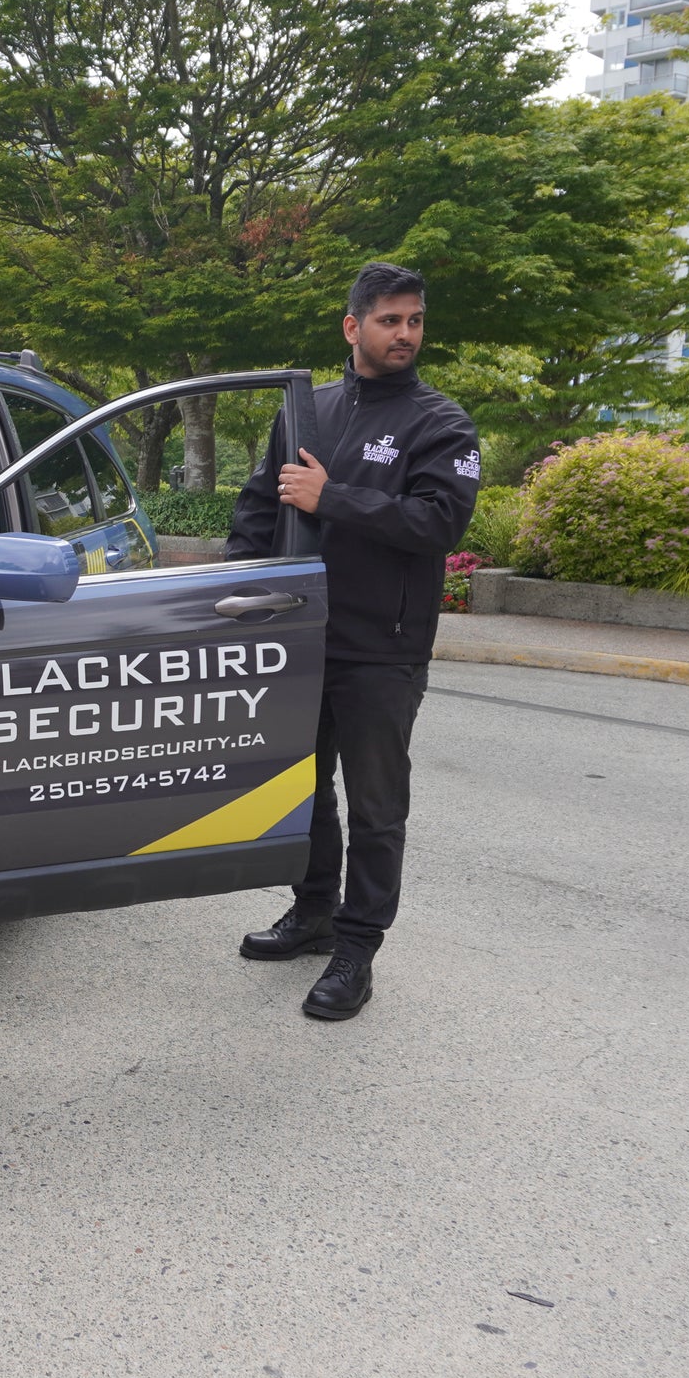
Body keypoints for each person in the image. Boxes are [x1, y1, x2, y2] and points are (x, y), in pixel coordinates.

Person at [226, 262, 479, 1021]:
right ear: (353, 326)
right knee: (299, 792)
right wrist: (230, 592)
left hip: (382, 648)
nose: (406, 334)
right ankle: (313, 913)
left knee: (375, 806)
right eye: (390, 320)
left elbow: (440, 524)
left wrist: (332, 497)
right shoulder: (309, 412)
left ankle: (357, 948)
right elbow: (258, 505)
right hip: (298, 637)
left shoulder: (442, 424)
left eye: (415, 321)